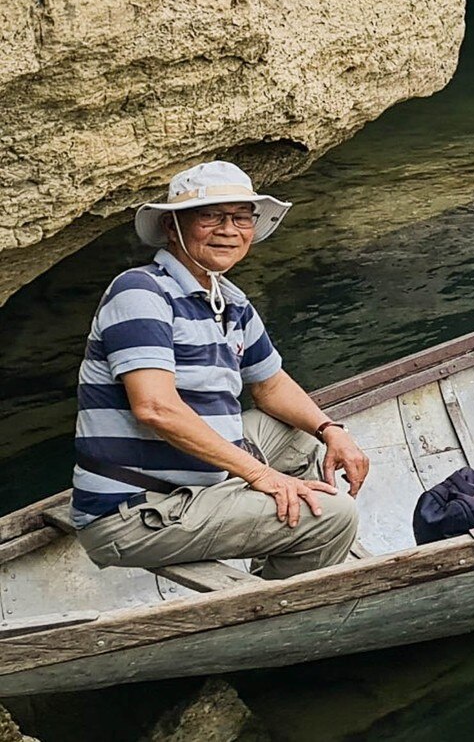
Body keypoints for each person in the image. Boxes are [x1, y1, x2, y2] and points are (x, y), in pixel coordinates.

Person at [71, 162, 366, 579]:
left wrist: (332, 429)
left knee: (301, 435)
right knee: (333, 516)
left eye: (241, 217)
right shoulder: (140, 292)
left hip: (199, 476)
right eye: (210, 216)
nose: (229, 229)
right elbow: (155, 408)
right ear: (173, 227)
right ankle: (279, 605)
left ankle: (273, 559)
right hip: (136, 509)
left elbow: (270, 384)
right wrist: (261, 475)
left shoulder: (229, 299)